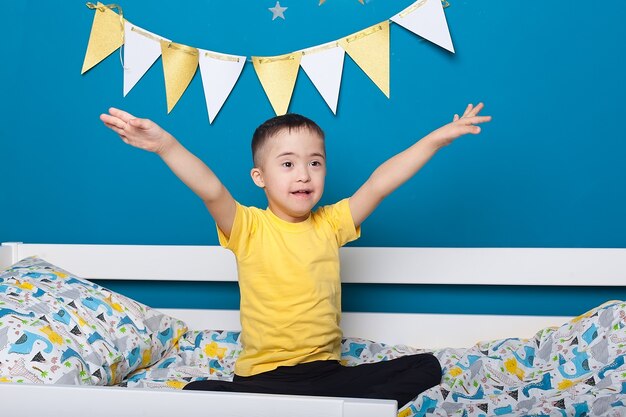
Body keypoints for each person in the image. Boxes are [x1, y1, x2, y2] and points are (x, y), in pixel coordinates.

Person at [100, 103, 491, 407]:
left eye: (314, 163)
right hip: (263, 379)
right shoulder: (248, 226)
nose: (303, 174)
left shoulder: (331, 223)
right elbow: (211, 189)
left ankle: (315, 407)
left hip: (327, 375)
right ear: (260, 178)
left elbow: (379, 183)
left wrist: (434, 141)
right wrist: (166, 145)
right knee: (198, 394)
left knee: (427, 367)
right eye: (287, 164)